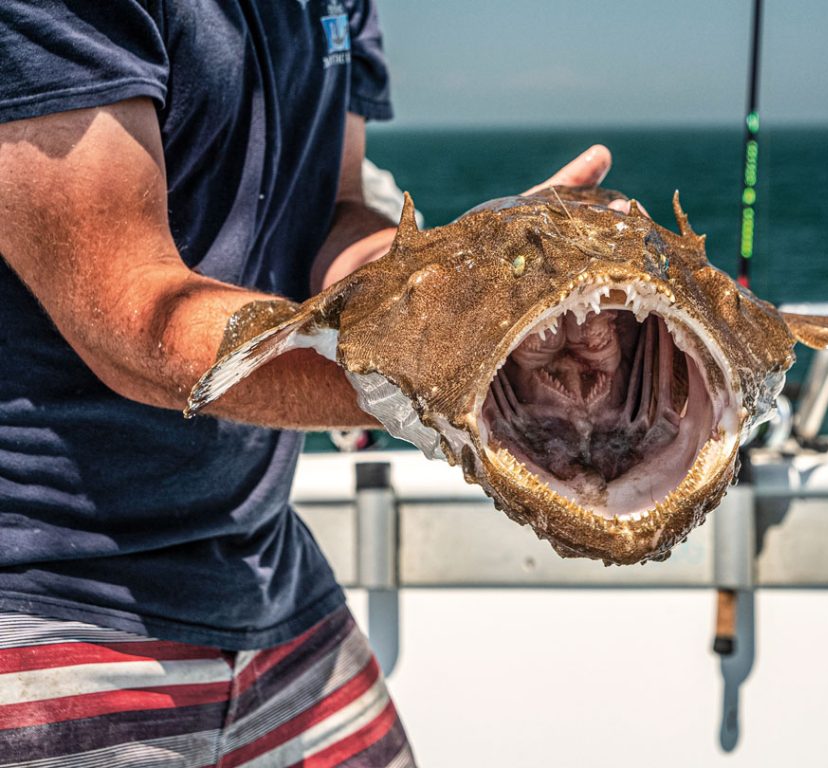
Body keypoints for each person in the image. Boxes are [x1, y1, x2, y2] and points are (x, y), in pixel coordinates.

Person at [0, 1, 615, 764]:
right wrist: (448, 368)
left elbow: (339, 212)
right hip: (45, 598)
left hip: (265, 567)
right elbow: (133, 323)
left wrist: (465, 288)